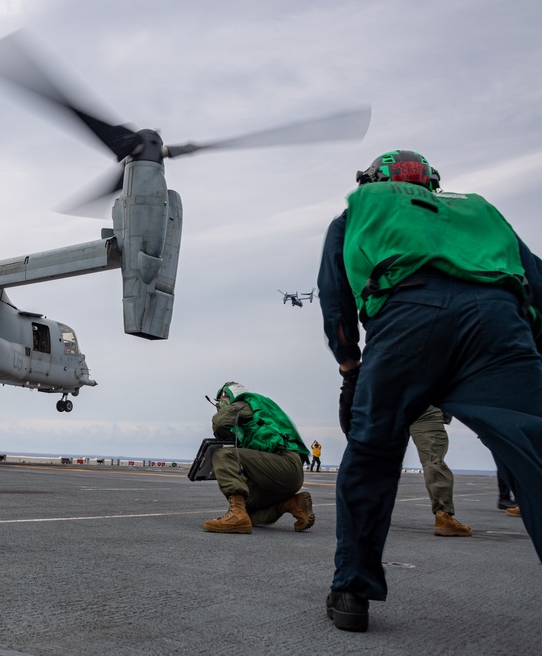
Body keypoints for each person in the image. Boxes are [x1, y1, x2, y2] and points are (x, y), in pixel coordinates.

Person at [317, 150, 542, 633]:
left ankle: (353, 591)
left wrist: (349, 366)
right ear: (433, 182)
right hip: (500, 323)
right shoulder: (479, 208)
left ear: (374, 178)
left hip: (407, 316)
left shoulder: (359, 207)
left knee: (373, 452)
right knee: (534, 451)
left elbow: (335, 294)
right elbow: (536, 281)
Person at [202, 381, 315, 534]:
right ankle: (291, 504)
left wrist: (224, 417)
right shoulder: (256, 412)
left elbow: (220, 422)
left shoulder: (247, 403)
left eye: (221, 402)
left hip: (284, 463)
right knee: (247, 509)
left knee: (222, 454)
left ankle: (236, 516)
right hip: (281, 474)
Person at [408, 407, 471, 537]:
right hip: (422, 404)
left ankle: (362, 513)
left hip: (383, 401)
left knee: (373, 460)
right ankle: (443, 516)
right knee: (433, 460)